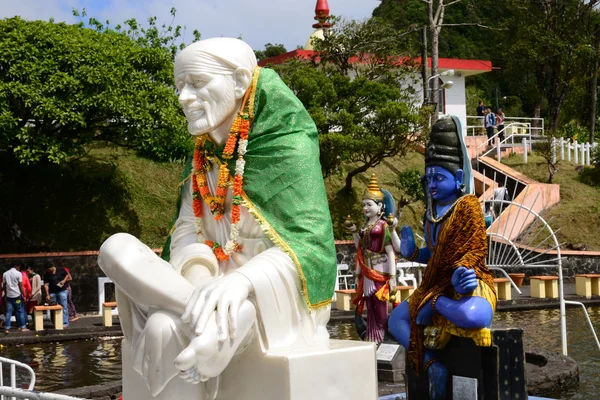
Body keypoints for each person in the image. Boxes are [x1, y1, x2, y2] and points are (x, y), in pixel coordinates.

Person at [97, 37, 336, 400]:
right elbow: (186, 232)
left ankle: (228, 316)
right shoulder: (201, 156)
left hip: (269, 294)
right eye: (179, 86)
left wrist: (241, 281)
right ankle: (216, 319)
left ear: (240, 81)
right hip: (202, 286)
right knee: (116, 248)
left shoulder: (288, 145)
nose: (183, 98)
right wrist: (201, 281)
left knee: (163, 327)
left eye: (196, 83)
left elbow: (309, 249)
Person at [388, 116, 497, 400]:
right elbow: (433, 255)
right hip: (436, 285)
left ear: (459, 178)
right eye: (429, 178)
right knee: (396, 321)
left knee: (476, 315)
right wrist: (412, 252)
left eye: (439, 177)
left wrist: (458, 282)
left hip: (466, 282)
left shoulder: (468, 207)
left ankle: (438, 305)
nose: (432, 185)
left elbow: (473, 252)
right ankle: (431, 363)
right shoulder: (432, 213)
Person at [344, 174, 399, 344]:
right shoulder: (365, 226)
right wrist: (354, 231)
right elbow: (360, 248)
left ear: (380, 206)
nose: (365, 208)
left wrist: (392, 277)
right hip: (367, 271)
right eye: (363, 205)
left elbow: (391, 252)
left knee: (380, 304)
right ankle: (372, 336)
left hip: (380, 271)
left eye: (369, 204)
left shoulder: (384, 226)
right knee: (370, 304)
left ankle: (383, 335)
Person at [2, 262, 29, 332]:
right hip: (17, 296)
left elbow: (4, 286)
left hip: (9, 296)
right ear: (17, 266)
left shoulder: (5, 274)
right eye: (19, 266)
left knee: (8, 312)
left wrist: (5, 294)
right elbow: (20, 286)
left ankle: (7, 328)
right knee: (20, 311)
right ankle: (23, 327)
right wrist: (24, 295)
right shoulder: (18, 273)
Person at [43, 263, 72, 328]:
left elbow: (67, 275)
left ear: (51, 267)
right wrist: (47, 294)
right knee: (53, 308)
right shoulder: (47, 274)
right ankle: (55, 323)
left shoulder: (61, 270)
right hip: (52, 292)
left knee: (64, 307)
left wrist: (64, 281)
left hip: (62, 291)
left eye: (48, 269)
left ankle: (65, 323)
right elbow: (46, 285)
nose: (47, 271)